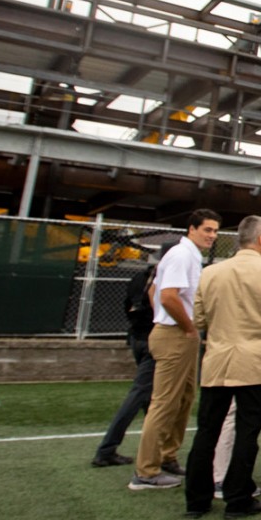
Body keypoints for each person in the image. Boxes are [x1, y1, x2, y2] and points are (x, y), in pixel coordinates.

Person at [183, 216, 261, 519]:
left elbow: (199, 319)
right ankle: (238, 496)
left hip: (219, 359)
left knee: (207, 430)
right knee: (248, 430)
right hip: (258, 362)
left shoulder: (211, 272)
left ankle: (197, 499)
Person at [130, 208, 221, 491]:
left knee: (183, 398)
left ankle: (167, 456)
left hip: (174, 332)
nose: (212, 236)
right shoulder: (183, 255)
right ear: (191, 229)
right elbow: (167, 296)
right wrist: (186, 326)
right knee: (165, 402)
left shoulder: (186, 255)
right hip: (176, 335)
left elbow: (154, 290)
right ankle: (146, 471)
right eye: (207, 230)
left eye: (215, 231)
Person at [92, 260, 157, 467]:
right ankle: (107, 449)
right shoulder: (157, 280)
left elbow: (128, 307)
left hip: (137, 339)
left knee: (148, 397)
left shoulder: (139, 278)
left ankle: (154, 447)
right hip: (150, 340)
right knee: (139, 394)